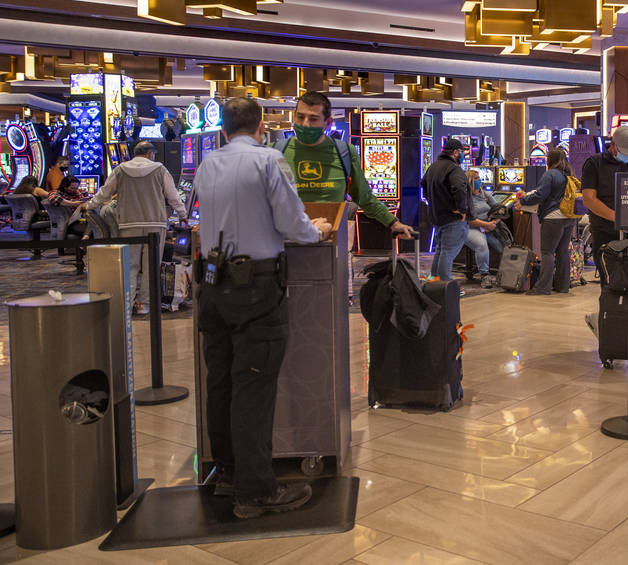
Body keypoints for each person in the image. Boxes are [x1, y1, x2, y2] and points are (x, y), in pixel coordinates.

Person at [194, 97, 331, 519]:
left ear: (222, 130)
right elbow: (293, 223)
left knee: (221, 382)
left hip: (212, 283)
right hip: (253, 285)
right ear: (260, 128)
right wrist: (317, 230)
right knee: (253, 386)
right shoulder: (269, 162)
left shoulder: (207, 163)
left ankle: (229, 473)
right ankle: (255, 492)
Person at [281, 91, 414, 240]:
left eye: (313, 119)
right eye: (300, 117)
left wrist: (393, 223)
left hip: (330, 242)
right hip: (284, 243)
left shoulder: (343, 153)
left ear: (328, 122)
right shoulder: (276, 152)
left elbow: (364, 198)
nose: (305, 124)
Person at [88, 141, 188, 312]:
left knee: (130, 266)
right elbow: (173, 195)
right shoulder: (160, 169)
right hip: (155, 223)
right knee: (151, 266)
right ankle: (144, 305)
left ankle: (127, 303)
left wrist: (90, 205)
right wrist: (182, 215)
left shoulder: (120, 170)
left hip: (128, 222)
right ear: (150, 154)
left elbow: (104, 193)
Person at [581, 125, 628, 287]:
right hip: (605, 232)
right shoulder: (594, 164)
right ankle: (611, 312)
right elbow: (589, 199)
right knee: (611, 284)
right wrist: (618, 218)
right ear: (613, 145)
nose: (627, 156)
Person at [517, 148, 579, 295]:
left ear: (550, 160)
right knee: (562, 251)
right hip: (569, 218)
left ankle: (543, 287)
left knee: (547, 252)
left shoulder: (550, 174)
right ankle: (562, 286)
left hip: (553, 217)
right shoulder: (569, 174)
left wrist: (523, 200)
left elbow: (540, 194)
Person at [422, 138, 472, 283]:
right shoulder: (453, 168)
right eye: (462, 152)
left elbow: (423, 185)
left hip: (437, 216)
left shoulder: (433, 166)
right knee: (448, 253)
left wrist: (434, 202)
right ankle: (446, 287)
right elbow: (459, 188)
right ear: (455, 152)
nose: (463, 155)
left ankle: (435, 284)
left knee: (441, 250)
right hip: (452, 218)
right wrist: (461, 209)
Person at [464, 169, 500, 288]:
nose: (480, 181)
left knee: (503, 247)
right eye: (477, 179)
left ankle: (506, 274)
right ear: (470, 181)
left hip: (488, 227)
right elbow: (469, 220)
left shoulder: (485, 194)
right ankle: (484, 275)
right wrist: (486, 225)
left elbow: (500, 211)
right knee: (481, 245)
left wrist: (494, 223)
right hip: (470, 228)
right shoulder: (465, 197)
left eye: (479, 178)